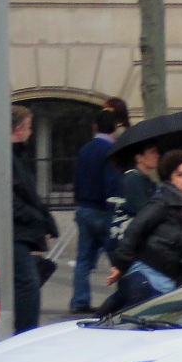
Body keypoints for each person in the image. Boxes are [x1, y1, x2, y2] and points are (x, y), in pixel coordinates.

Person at [105, 149, 182, 309]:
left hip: (169, 282)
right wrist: (120, 265)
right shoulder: (163, 201)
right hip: (149, 279)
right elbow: (136, 228)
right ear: (170, 178)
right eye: (181, 175)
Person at [10, 105, 59, 334]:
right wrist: (38, 218)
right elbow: (12, 200)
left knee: (28, 283)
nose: (31, 132)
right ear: (18, 129)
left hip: (21, 232)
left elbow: (28, 194)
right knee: (28, 285)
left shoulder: (18, 156)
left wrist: (45, 218)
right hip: (15, 234)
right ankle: (25, 333)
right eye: (29, 128)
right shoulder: (10, 158)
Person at [68, 108, 120, 313]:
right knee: (118, 257)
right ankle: (127, 298)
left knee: (83, 259)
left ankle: (79, 301)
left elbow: (77, 179)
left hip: (84, 208)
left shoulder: (85, 150)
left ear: (95, 127)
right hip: (104, 210)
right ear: (115, 128)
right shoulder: (111, 151)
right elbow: (111, 182)